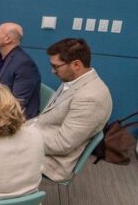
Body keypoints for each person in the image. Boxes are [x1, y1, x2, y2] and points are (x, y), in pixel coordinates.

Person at [29, 38, 113, 182]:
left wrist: (20, 139)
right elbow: (48, 121)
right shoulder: (73, 80)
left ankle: (0, 199)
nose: (52, 71)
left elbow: (62, 145)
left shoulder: (90, 97)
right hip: (40, 138)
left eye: (56, 66)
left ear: (76, 64)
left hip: (52, 162)